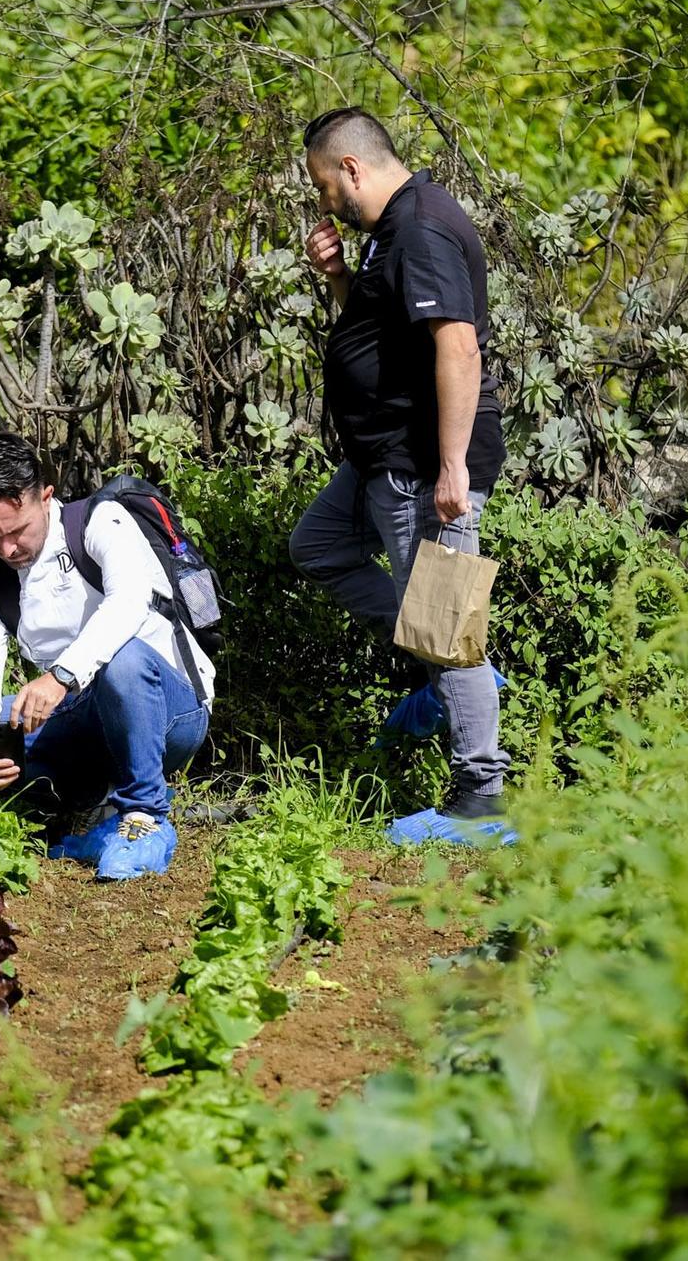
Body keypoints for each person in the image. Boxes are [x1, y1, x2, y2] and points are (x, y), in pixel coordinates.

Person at [287, 106, 514, 846]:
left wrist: (450, 469)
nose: (326, 202)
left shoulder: (419, 226)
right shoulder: (391, 230)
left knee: (450, 632)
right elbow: (380, 336)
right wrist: (338, 280)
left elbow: (458, 346)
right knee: (318, 547)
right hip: (380, 463)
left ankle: (480, 799)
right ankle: (439, 676)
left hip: (423, 468)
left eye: (324, 186)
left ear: (351, 169)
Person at [0, 433, 215, 881]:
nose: (7, 548)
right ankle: (81, 808)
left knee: (123, 660)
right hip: (82, 719)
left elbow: (129, 603)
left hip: (170, 713)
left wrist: (60, 676)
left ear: (45, 498)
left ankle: (145, 816)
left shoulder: (101, 523)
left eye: (17, 530)